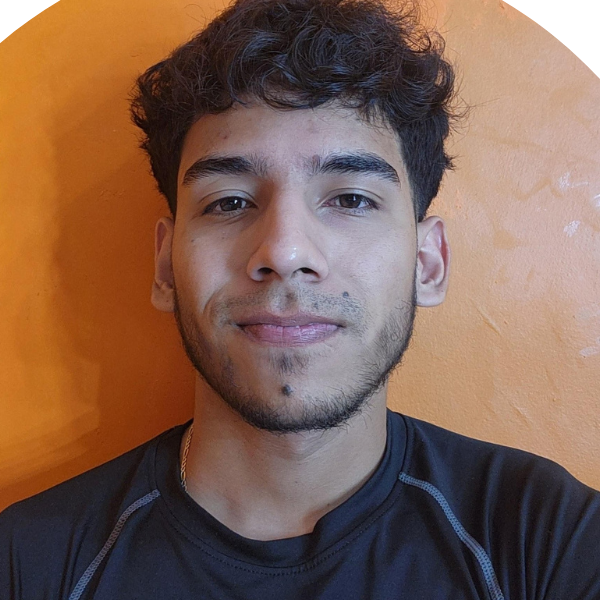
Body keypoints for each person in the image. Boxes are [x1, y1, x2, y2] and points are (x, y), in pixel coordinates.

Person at [1, 0, 599, 597]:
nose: (285, 252)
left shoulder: (550, 542)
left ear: (427, 262)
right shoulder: (28, 563)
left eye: (351, 199)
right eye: (229, 201)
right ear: (165, 266)